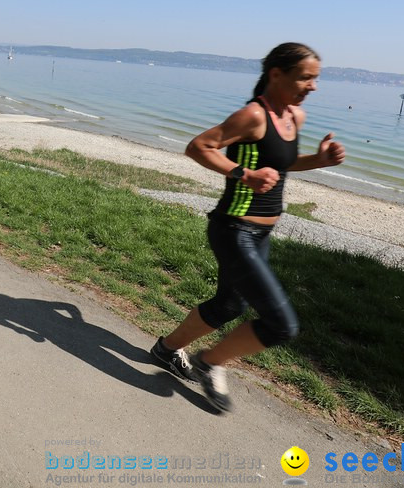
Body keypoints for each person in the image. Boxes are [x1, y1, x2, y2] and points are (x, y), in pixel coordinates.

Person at [148, 42, 345, 413]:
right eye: (306, 78)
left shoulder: (294, 118)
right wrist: (245, 174)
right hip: (234, 228)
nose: (313, 86)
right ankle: (211, 362)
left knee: (228, 304)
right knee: (281, 324)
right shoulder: (253, 116)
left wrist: (318, 160)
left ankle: (166, 350)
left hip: (262, 232)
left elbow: (282, 164)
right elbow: (199, 147)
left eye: (316, 79)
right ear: (276, 74)